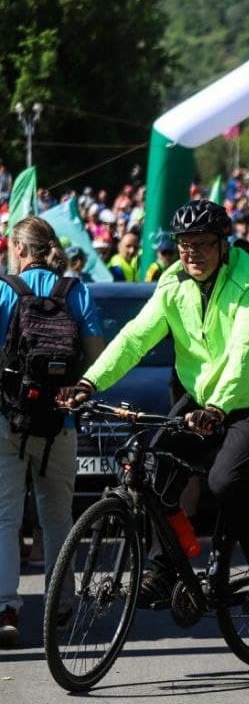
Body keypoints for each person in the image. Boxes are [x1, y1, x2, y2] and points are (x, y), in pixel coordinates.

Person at [64, 199, 249, 610]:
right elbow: (136, 337)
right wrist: (89, 381)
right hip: (206, 396)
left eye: (203, 244)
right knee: (157, 470)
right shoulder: (173, 282)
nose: (192, 253)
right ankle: (166, 566)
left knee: (224, 482)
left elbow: (244, 349)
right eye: (184, 244)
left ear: (224, 244)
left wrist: (219, 408)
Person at [0, 217, 105, 645]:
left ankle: (6, 607)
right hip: (60, 422)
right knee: (57, 516)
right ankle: (61, 603)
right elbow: (97, 356)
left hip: (8, 420)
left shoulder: (5, 290)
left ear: (21, 250)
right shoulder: (76, 292)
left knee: (4, 516)